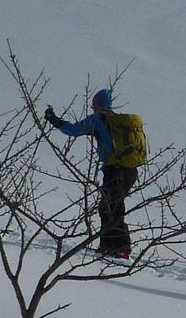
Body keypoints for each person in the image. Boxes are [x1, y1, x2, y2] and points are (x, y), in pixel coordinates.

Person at [44, 89, 137, 259]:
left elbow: (73, 130)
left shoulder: (99, 119)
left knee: (110, 207)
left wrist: (53, 119)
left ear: (97, 104)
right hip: (131, 170)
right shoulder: (119, 121)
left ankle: (116, 247)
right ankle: (113, 245)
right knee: (113, 206)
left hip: (114, 169)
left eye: (93, 104)